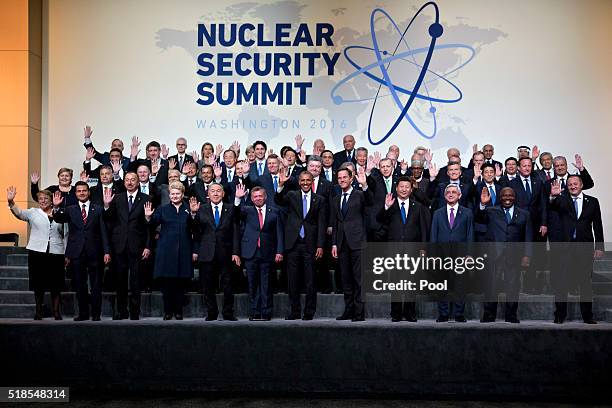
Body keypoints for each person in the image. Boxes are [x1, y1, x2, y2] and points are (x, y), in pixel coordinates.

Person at [52, 182, 111, 321]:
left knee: (96, 285)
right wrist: (55, 207)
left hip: (95, 252)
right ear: (76, 193)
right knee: (80, 285)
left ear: (88, 192)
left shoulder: (98, 209)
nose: (82, 193)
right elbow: (58, 218)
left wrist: (107, 251)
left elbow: (103, 231)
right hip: (76, 253)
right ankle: (83, 313)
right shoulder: (70, 209)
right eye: (79, 191)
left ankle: (96, 314)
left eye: (84, 190)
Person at [549, 176, 603, 324]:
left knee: (585, 282)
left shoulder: (592, 201)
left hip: (584, 247)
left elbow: (597, 224)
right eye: (570, 184)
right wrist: (553, 196)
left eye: (575, 184)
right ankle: (560, 315)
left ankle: (588, 316)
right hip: (565, 248)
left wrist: (599, 246)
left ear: (581, 185)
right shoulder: (562, 199)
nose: (572, 186)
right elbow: (552, 206)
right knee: (562, 282)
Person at [7, 187, 66, 320]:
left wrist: (67, 252)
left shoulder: (61, 212)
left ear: (52, 201)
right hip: (37, 252)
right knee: (38, 283)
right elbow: (19, 213)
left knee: (56, 284)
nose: (43, 201)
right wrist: (11, 201)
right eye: (40, 199)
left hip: (56, 252)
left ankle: (56, 312)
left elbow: (66, 233)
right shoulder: (33, 212)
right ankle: (39, 311)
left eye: (46, 198)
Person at [377, 177, 430, 322]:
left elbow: (424, 229)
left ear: (411, 189)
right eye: (401, 186)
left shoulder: (418, 207)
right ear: (396, 188)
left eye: (407, 187)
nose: (404, 189)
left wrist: (423, 248)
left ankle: (410, 313)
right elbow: (379, 220)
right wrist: (386, 207)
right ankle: (396, 313)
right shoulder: (391, 205)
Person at [275, 171, 326, 320]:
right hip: (293, 244)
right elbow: (278, 200)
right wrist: (281, 185)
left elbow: (322, 224)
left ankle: (309, 312)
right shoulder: (292, 195)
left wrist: (320, 245)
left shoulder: (319, 199)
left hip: (310, 245)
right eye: (302, 180)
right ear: (299, 182)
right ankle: (295, 311)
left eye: (308, 180)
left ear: (312, 182)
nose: (305, 183)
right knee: (293, 281)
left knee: (310, 280)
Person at [190, 183, 245, 321]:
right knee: (208, 285)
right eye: (212, 191)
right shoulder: (201, 209)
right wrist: (193, 214)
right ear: (208, 194)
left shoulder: (231, 208)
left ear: (223, 194)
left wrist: (236, 252)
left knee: (228, 285)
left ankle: (228, 313)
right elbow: (196, 232)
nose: (215, 194)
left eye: (218, 191)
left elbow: (236, 232)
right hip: (207, 253)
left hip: (226, 253)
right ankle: (211, 312)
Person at [477, 187, 532, 323]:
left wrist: (527, 255)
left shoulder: (524, 214)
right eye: (504, 195)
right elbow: (479, 218)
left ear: (515, 197)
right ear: (499, 197)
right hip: (494, 254)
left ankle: (511, 315)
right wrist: (483, 204)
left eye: (510, 195)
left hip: (514, 255)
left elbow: (528, 236)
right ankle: (489, 315)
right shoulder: (491, 211)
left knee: (513, 287)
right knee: (491, 286)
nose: (507, 198)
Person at [102, 172, 151, 320]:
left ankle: (135, 312)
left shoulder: (146, 199)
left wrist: (148, 246)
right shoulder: (117, 198)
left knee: (136, 281)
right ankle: (121, 311)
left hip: (137, 246)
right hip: (119, 246)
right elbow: (108, 219)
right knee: (120, 281)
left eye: (133, 180)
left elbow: (149, 226)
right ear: (124, 182)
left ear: (138, 182)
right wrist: (106, 205)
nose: (130, 182)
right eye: (127, 180)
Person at [144, 181, 196, 320]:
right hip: (166, 250)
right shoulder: (163, 209)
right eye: (172, 194)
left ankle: (178, 311)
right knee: (167, 284)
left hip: (184, 250)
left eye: (177, 193)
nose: (174, 196)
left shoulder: (188, 208)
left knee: (180, 283)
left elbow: (195, 228)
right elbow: (151, 225)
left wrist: (193, 214)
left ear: (182, 194)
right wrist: (148, 217)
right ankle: (168, 311)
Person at [331, 167, 373, 321]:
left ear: (351, 179)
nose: (342, 180)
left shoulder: (360, 195)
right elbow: (336, 223)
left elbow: (370, 202)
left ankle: (358, 313)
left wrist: (365, 185)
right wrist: (334, 243)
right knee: (346, 280)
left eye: (344, 177)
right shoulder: (336, 199)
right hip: (342, 244)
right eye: (339, 178)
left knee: (359, 280)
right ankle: (348, 310)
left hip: (357, 243)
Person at [239, 186, 284, 320]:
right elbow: (235, 212)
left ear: (265, 197)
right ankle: (254, 312)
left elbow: (279, 233)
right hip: (250, 253)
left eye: (260, 196)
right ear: (251, 199)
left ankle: (266, 312)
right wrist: (239, 198)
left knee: (266, 284)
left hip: (268, 253)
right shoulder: (246, 210)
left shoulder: (274, 211)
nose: (258, 198)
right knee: (252, 285)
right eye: (255, 196)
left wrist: (279, 251)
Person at [430, 184, 473, 322]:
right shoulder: (437, 213)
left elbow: (470, 234)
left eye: (454, 192)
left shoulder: (467, 213)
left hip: (461, 254)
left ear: (459, 195)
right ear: (444, 195)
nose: (450, 194)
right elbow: (433, 235)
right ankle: (443, 314)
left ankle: (459, 314)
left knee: (460, 285)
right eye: (448, 192)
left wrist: (469, 254)